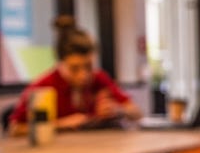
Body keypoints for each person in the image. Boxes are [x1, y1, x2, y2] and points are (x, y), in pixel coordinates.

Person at [8, 16, 140, 134]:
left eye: (88, 66)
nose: (83, 75)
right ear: (60, 63)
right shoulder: (44, 88)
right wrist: (61, 124)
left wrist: (118, 110)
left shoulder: (99, 78)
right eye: (74, 68)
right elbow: (15, 129)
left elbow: (137, 112)